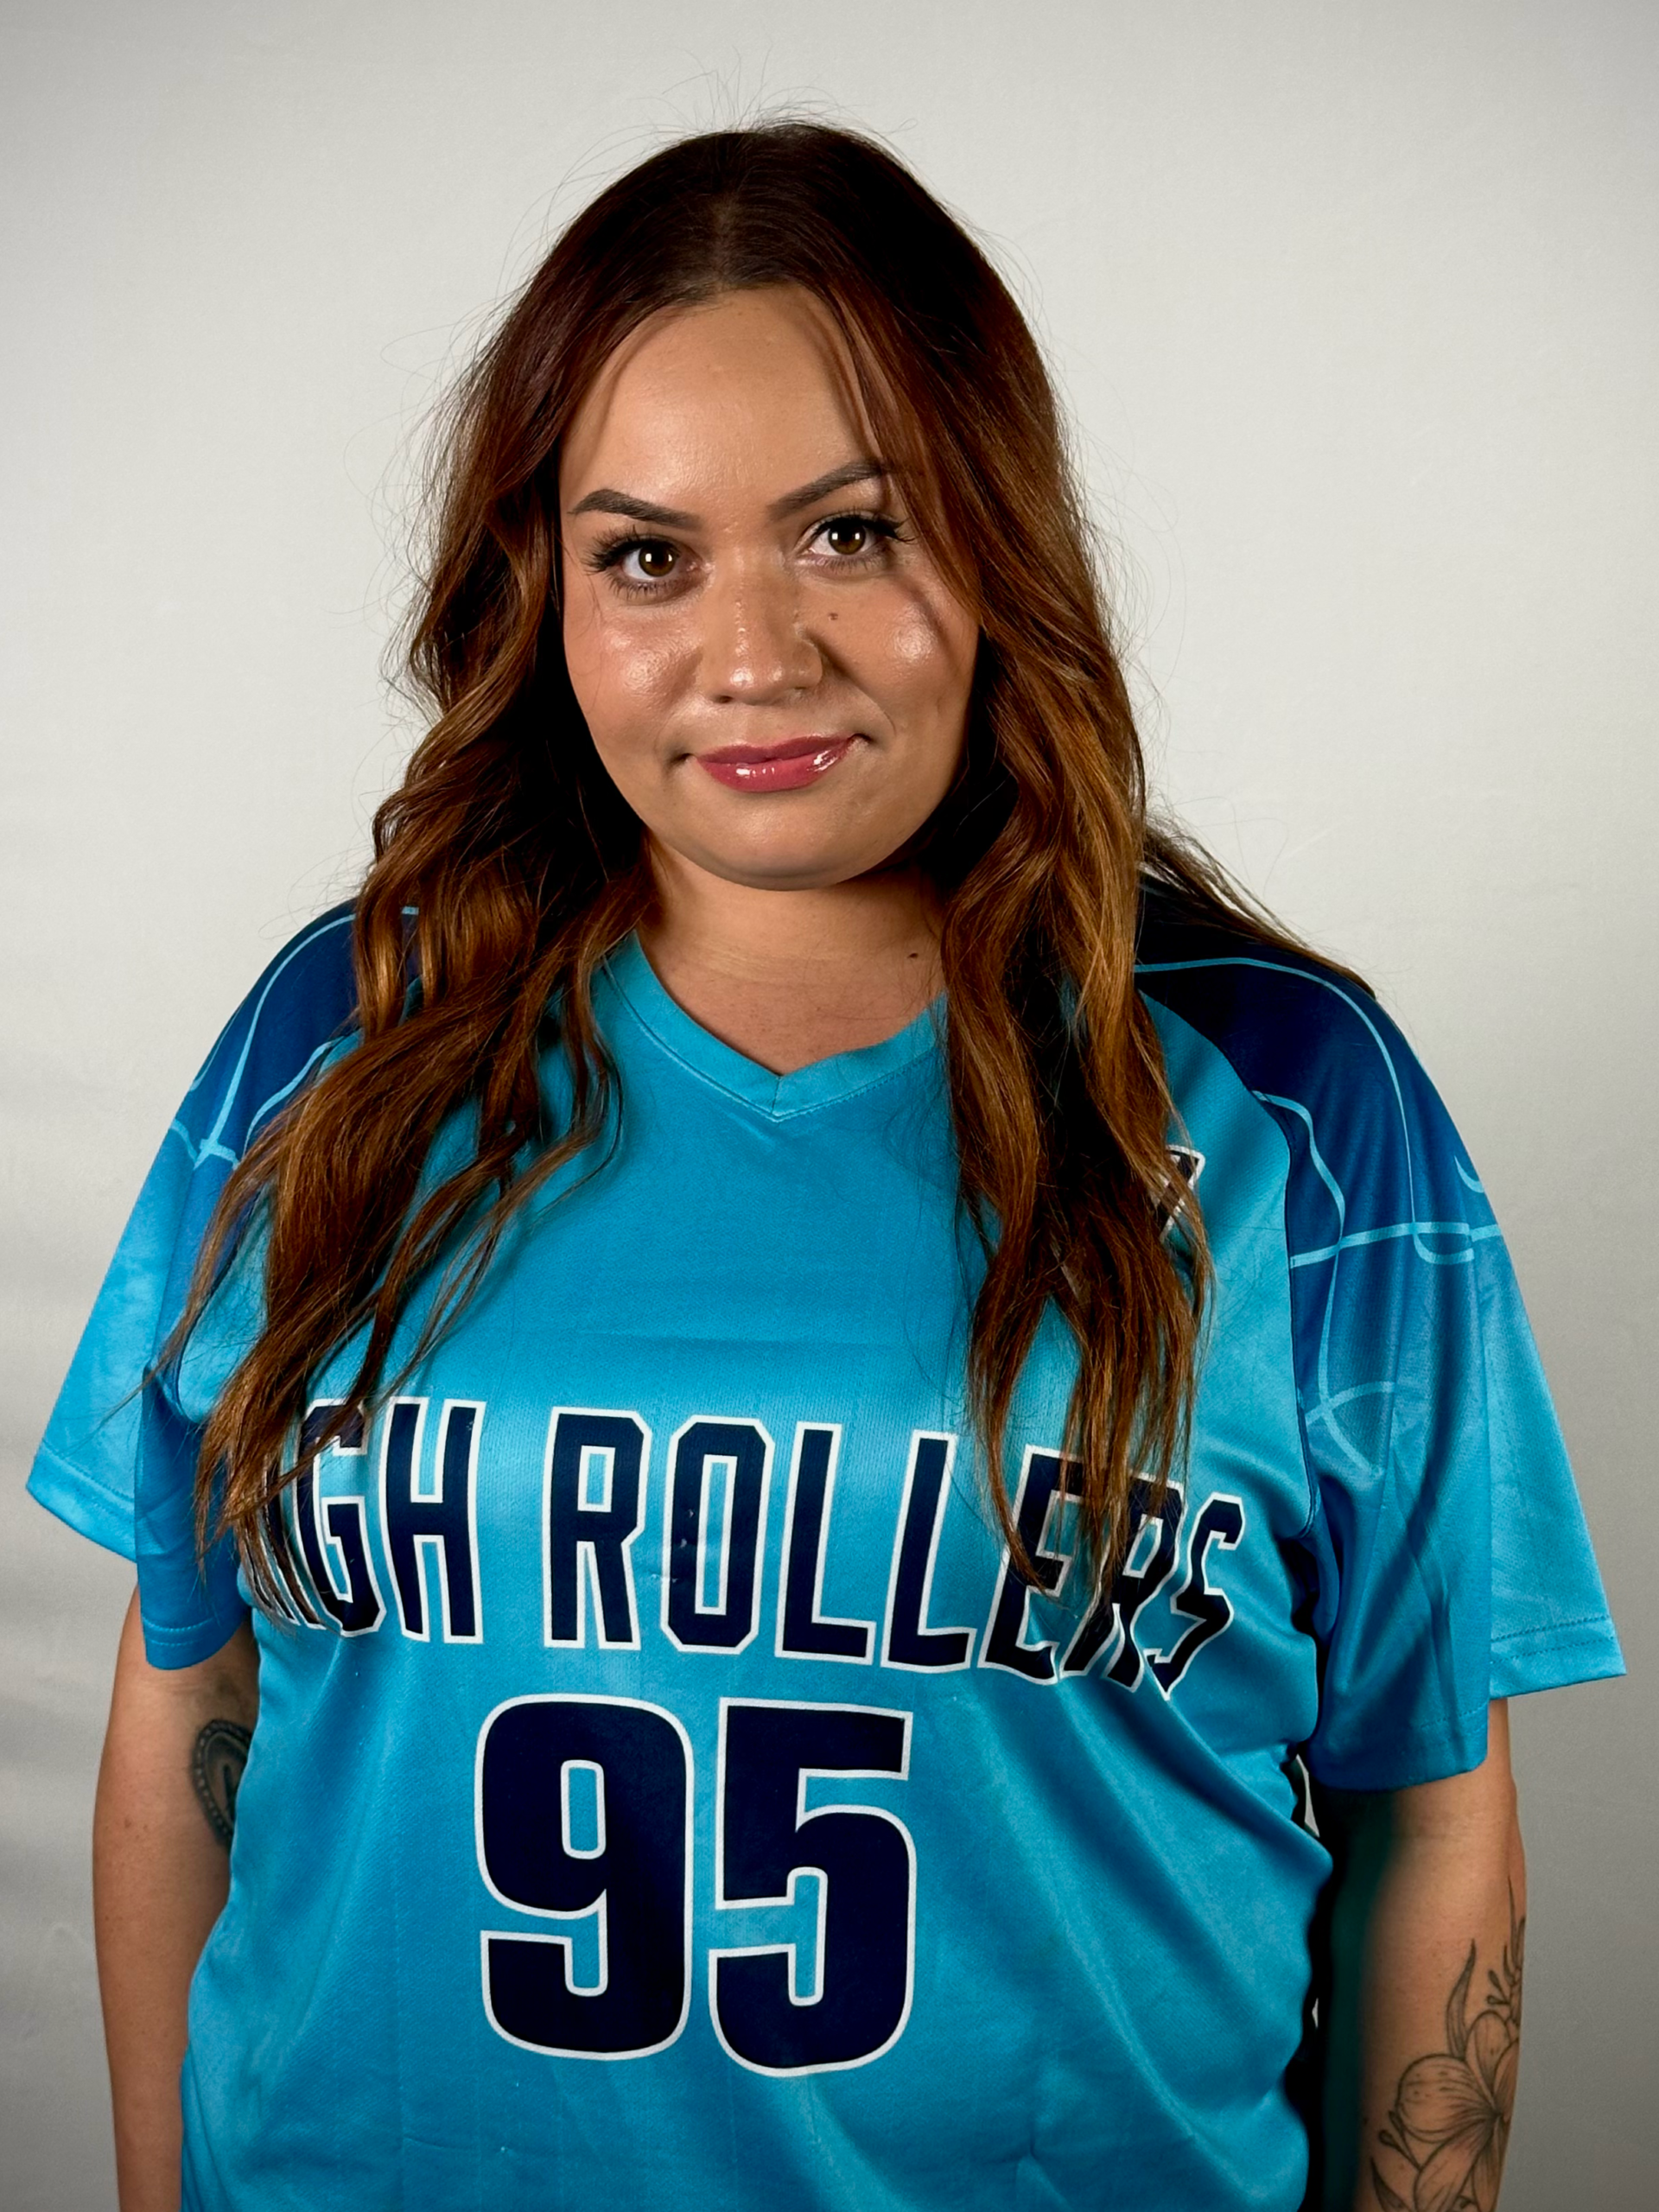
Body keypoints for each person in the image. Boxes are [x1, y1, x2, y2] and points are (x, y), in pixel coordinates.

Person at [29, 122, 1621, 2212]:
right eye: (648, 556)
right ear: (541, 589)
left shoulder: (1298, 1106)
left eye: (851, 531)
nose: (756, 653)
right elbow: (193, 1689)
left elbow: (1431, 1803)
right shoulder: (338, 1045)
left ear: (997, 545)